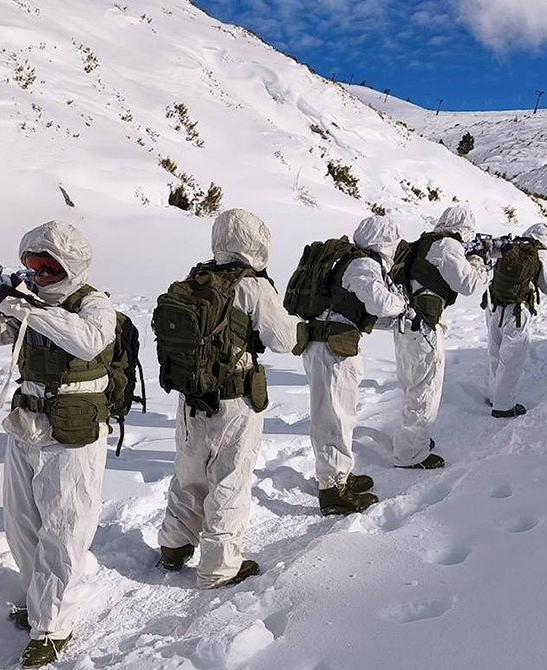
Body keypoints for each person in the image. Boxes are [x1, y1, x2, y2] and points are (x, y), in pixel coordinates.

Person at [0, 221, 116, 669]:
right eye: (32, 264)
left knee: (64, 529)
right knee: (22, 523)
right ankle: (37, 600)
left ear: (72, 265)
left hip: (73, 432)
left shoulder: (94, 305)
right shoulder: (25, 304)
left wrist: (29, 309)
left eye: (49, 265)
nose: (41, 273)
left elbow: (88, 342)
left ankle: (53, 626)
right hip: (26, 424)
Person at [156, 208, 298, 588]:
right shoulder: (253, 286)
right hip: (234, 400)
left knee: (189, 475)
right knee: (229, 481)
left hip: (190, 398)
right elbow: (282, 340)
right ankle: (218, 568)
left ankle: (173, 545)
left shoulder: (197, 278)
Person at [302, 215, 407, 515]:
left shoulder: (352, 261)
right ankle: (333, 490)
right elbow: (380, 304)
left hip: (330, 345)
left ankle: (340, 475)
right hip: (332, 349)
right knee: (333, 419)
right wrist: (400, 302)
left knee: (339, 415)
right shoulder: (363, 265)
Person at [392, 204, 491, 470]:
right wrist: (479, 261)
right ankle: (412, 454)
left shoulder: (423, 243)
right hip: (424, 326)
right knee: (425, 388)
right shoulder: (448, 246)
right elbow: (468, 284)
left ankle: (412, 439)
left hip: (405, 325)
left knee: (411, 385)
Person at [487, 222, 547, 419]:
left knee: (495, 352)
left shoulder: (510, 245)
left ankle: (494, 395)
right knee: (512, 357)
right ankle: (504, 405)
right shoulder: (541, 254)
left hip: (494, 305)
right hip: (517, 310)